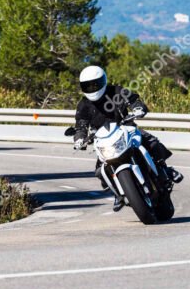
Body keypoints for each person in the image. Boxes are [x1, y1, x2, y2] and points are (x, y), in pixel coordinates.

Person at [73, 66, 183, 212]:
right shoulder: (83, 105)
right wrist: (79, 139)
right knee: (100, 171)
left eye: (95, 84)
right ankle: (118, 193)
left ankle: (166, 169)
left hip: (126, 128)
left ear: (103, 81)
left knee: (151, 142)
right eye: (88, 86)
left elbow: (132, 99)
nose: (92, 88)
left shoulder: (115, 91)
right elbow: (80, 125)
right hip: (104, 140)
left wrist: (138, 107)